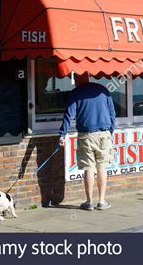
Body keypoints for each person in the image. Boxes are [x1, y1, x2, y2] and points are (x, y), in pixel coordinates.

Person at [59, 72, 116, 211]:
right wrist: (110, 131)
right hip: (104, 134)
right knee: (102, 166)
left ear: (79, 78)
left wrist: (62, 134)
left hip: (86, 135)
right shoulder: (103, 90)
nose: (74, 81)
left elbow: (69, 115)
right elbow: (112, 114)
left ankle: (89, 202)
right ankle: (102, 201)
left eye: (74, 78)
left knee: (89, 168)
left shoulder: (76, 93)